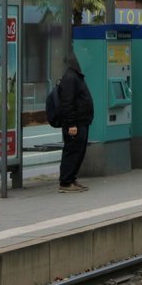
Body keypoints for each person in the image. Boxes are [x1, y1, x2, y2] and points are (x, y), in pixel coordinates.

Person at [57, 52, 94, 192]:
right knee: (72, 151)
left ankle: (71, 179)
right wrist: (71, 124)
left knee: (79, 151)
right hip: (75, 123)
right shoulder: (70, 78)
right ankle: (65, 182)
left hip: (82, 121)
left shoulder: (76, 77)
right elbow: (67, 103)